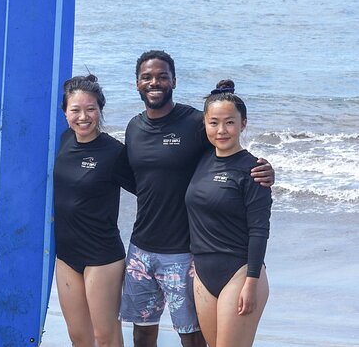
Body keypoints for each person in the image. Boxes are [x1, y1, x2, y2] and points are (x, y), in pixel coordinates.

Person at [119, 50, 274, 347]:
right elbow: (134, 179)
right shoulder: (134, 128)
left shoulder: (193, 123)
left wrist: (265, 171)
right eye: (147, 77)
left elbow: (229, 151)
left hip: (185, 253)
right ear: (136, 83)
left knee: (192, 339)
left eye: (163, 76)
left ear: (174, 81)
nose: (155, 82)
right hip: (142, 249)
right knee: (142, 333)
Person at [185, 80, 271, 347]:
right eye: (214, 122)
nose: (221, 130)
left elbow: (259, 230)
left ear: (243, 123)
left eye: (230, 122)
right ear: (205, 125)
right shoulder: (200, 160)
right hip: (203, 273)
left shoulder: (254, 169)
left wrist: (251, 282)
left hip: (240, 272)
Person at [53, 75, 136, 347]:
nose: (83, 117)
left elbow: (150, 188)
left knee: (106, 337)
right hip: (66, 256)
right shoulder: (63, 141)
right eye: (75, 110)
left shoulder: (114, 152)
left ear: (100, 109)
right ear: (64, 111)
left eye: (91, 109)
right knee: (79, 337)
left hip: (102, 256)